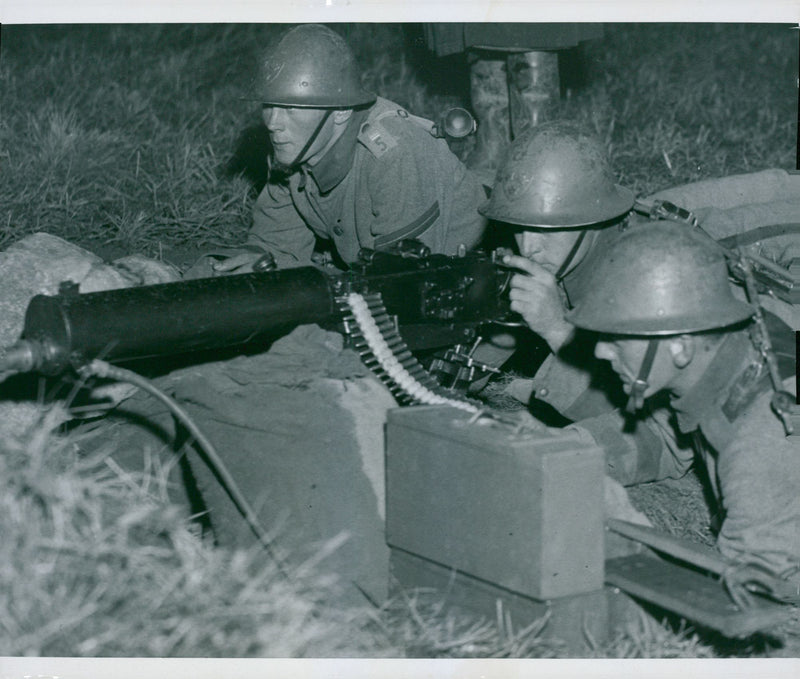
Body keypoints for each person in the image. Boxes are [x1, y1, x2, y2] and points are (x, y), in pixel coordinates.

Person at [564, 220, 799, 585]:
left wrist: (626, 526)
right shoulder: (732, 348)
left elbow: (752, 607)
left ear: (681, 347)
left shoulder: (760, 444)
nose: (600, 350)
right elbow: (670, 437)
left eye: (618, 339)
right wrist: (566, 450)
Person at [208, 24, 487, 276]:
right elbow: (274, 245)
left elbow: (403, 280)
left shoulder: (395, 154)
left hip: (479, 262)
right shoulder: (295, 149)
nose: (272, 123)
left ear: (341, 112)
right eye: (269, 105)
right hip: (384, 273)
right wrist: (255, 260)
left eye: (291, 108)